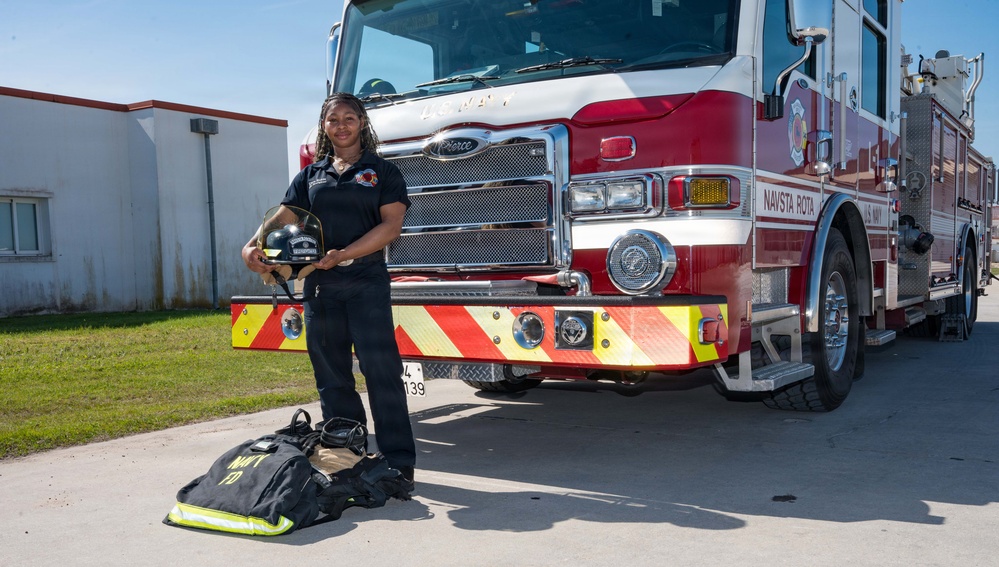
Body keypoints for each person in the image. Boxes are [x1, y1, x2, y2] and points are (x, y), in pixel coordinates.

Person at [241, 92, 416, 489]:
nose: (341, 125)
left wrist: (346, 254)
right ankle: (347, 460)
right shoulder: (310, 176)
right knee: (332, 376)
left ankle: (399, 466)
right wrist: (251, 245)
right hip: (321, 285)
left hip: (366, 281)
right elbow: (282, 215)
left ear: (362, 123)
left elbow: (391, 227)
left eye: (349, 118)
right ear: (324, 127)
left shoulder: (383, 172)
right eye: (333, 119)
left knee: (381, 372)